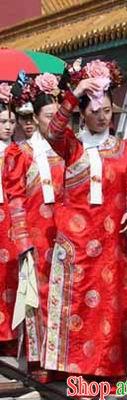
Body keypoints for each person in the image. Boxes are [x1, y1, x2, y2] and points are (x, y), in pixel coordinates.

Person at [43, 59, 127, 400]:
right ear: (83, 113)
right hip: (77, 245)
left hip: (112, 247)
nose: (103, 116)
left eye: (107, 110)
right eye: (95, 110)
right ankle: (83, 380)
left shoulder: (125, 150)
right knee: (80, 311)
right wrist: (75, 93)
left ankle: (111, 382)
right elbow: (52, 130)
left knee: (111, 315)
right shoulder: (72, 146)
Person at [4, 74, 64, 380]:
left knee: (63, 296)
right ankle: (39, 360)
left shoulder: (68, 149)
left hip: (65, 232)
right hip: (35, 234)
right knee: (36, 295)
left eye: (58, 116)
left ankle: (62, 358)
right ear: (37, 119)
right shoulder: (21, 153)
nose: (54, 122)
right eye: (48, 117)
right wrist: (23, 237)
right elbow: (14, 198)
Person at [0, 83, 18, 354]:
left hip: (11, 218)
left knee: (10, 275)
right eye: (3, 120)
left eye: (11, 121)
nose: (8, 126)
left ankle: (9, 333)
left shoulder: (18, 152)